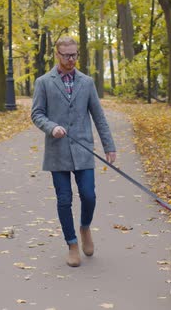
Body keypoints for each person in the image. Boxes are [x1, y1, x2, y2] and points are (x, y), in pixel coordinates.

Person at [31, 36, 116, 267]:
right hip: (57, 151)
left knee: (89, 195)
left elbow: (98, 115)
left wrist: (109, 145)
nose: (71, 59)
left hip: (83, 149)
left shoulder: (86, 82)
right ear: (57, 55)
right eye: (67, 55)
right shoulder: (44, 82)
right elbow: (36, 114)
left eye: (74, 55)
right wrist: (52, 127)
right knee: (64, 199)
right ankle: (72, 244)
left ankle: (85, 227)